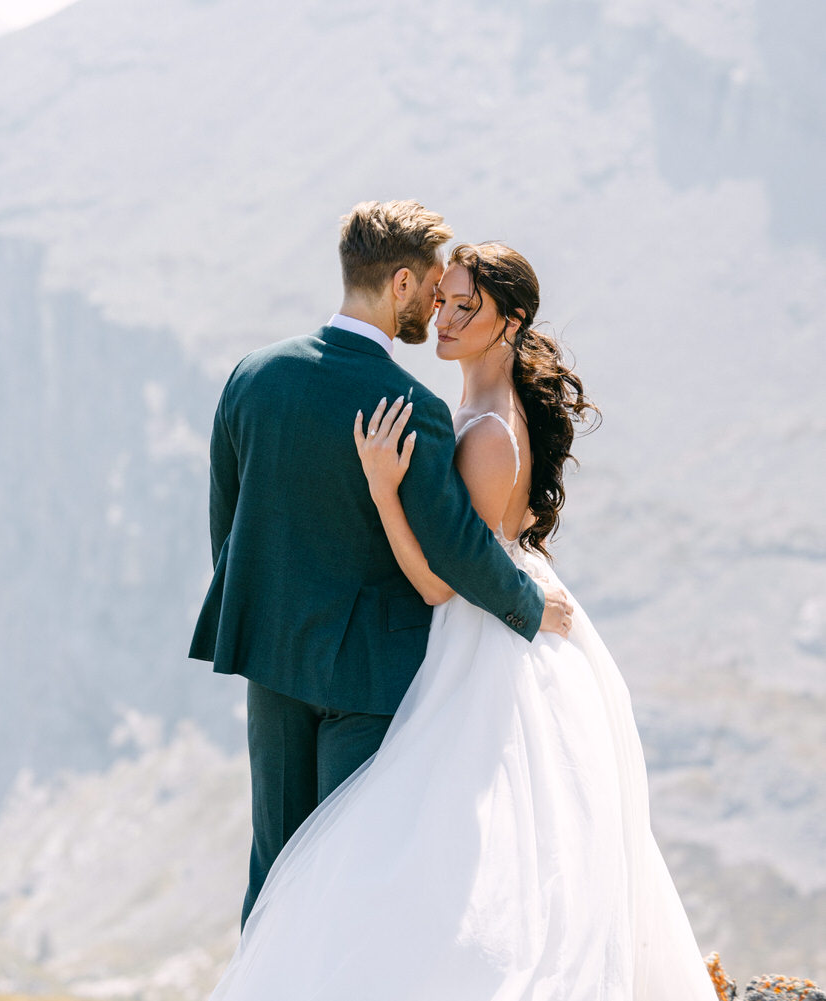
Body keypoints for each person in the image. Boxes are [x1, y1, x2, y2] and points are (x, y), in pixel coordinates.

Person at [206, 242, 713, 998]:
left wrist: (384, 490)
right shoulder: (470, 413)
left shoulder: (479, 432)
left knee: (394, 849)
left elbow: (445, 584)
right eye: (442, 299)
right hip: (475, 632)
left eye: (463, 305)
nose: (441, 317)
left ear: (508, 323)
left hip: (478, 637)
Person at [189, 200, 573, 930]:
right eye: (433, 287)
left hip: (273, 667)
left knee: (275, 863)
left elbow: (227, 525)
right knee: (354, 861)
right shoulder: (408, 404)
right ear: (401, 283)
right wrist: (527, 605)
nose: (438, 305)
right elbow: (457, 543)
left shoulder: (251, 377)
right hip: (369, 679)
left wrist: (265, 620)